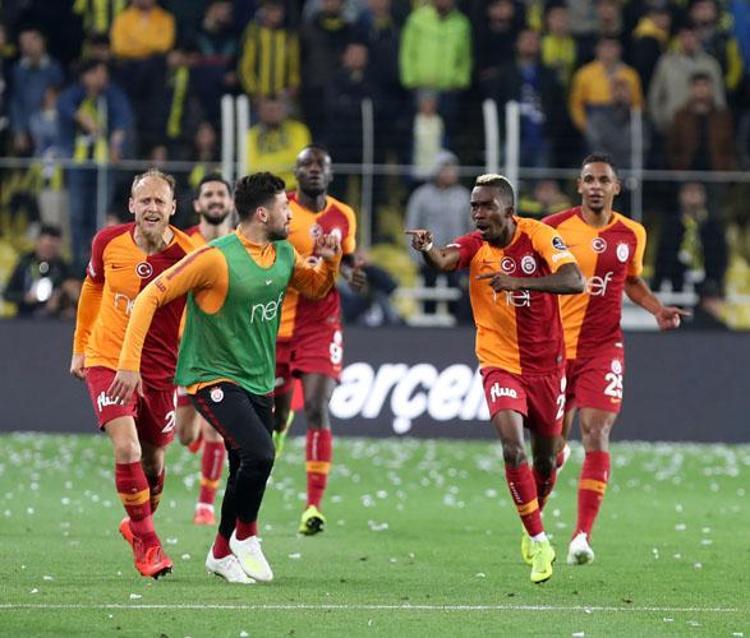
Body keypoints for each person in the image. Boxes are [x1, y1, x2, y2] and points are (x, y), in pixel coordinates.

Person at [109, 171, 341, 584]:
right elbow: (149, 297)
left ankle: (219, 552)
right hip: (210, 375)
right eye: (285, 208)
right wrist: (128, 363)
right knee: (261, 454)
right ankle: (246, 536)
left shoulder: (283, 253)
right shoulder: (215, 257)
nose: (292, 215)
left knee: (244, 464)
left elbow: (315, 288)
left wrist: (329, 260)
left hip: (257, 377)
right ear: (262, 214)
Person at [406, 173, 585, 583]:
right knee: (512, 448)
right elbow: (445, 260)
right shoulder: (475, 245)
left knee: (546, 459)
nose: (479, 214)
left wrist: (519, 282)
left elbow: (575, 280)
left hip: (547, 366)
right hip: (499, 362)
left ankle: (534, 512)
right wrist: (429, 248)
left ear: (509, 210)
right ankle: (538, 539)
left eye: (487, 206)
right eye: (474, 206)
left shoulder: (539, 236)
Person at [543, 153, 689, 566]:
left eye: (603, 180)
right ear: (579, 185)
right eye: (588, 179)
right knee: (549, 448)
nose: (595, 186)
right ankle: (551, 471)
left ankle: (581, 536)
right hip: (555, 351)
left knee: (597, 432)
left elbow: (632, 280)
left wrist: (657, 309)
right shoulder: (553, 229)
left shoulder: (632, 233)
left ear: (616, 187)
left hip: (603, 349)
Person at [69, 169, 197, 579]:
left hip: (160, 368)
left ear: (173, 208)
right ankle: (148, 544)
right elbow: (92, 288)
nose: (152, 208)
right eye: (145, 200)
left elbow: (204, 310)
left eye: (160, 201)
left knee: (154, 462)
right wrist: (80, 347)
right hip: (107, 359)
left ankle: (137, 524)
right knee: (127, 449)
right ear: (131, 205)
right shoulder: (107, 242)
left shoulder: (189, 254)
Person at [271, 145, 366, 536]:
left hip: (321, 323)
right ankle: (279, 427)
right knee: (276, 413)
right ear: (295, 173)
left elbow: (350, 260)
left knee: (316, 405)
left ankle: (313, 506)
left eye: (320, 165)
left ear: (330, 173)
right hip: (278, 323)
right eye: (306, 165)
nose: (313, 170)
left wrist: (352, 274)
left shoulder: (344, 215)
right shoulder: (282, 212)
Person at [175, 174, 236, 526]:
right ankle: (199, 442)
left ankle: (205, 505)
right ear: (198, 204)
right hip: (185, 348)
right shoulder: (183, 243)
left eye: (221, 194)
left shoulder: (240, 245)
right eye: (208, 194)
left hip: (221, 350)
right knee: (185, 435)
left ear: (230, 203)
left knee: (216, 427)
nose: (215, 199)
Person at [4, 224, 78, 318]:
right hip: (25, 318)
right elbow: (7, 294)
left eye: (52, 248)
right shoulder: (25, 263)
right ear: (37, 243)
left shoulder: (63, 267)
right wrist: (25, 297)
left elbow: (74, 292)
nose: (48, 251)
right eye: (45, 247)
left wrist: (63, 297)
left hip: (53, 320)